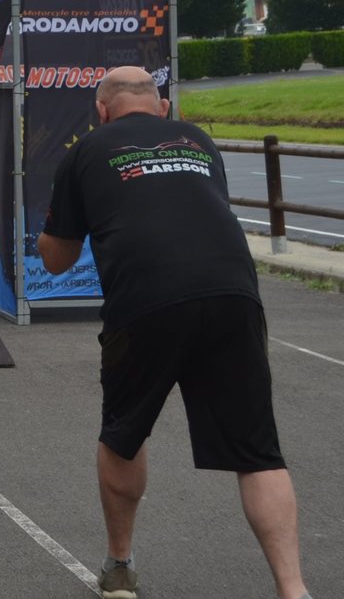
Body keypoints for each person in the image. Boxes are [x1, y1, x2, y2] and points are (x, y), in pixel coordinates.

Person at [36, 66, 309, 599]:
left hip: (147, 300)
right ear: (162, 108)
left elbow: (56, 258)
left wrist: (63, 229)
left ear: (101, 111)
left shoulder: (85, 151)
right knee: (258, 453)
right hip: (233, 292)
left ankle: (120, 568)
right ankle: (294, 589)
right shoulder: (199, 141)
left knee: (123, 436)